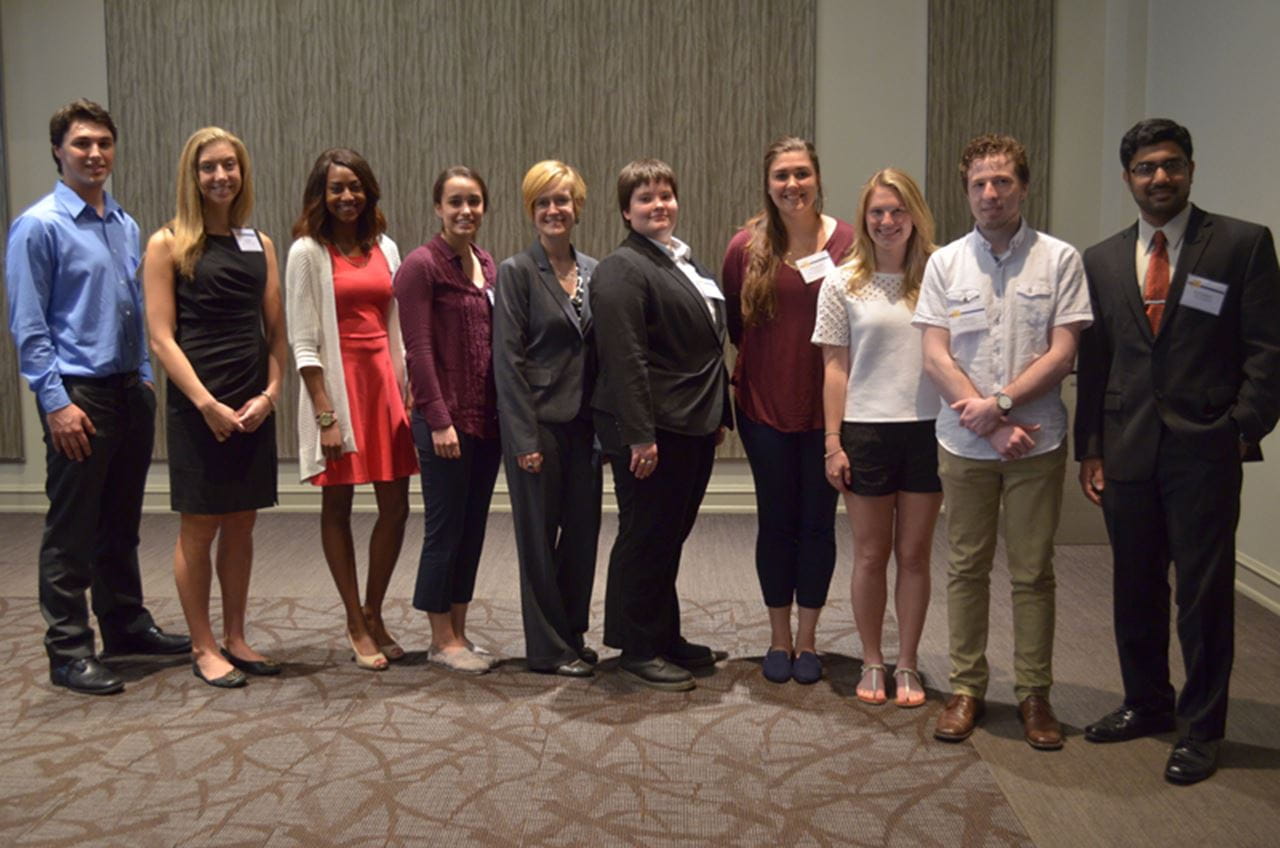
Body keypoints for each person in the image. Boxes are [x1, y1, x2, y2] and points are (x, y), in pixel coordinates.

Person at [1075, 119, 1280, 784]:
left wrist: (1242, 428)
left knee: (1203, 595)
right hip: (1127, 449)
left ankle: (1202, 728)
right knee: (1134, 587)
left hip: (1207, 449)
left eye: (1171, 165)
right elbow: (1096, 362)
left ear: (1190, 169)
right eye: (1145, 168)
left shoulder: (1242, 244)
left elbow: (1268, 350)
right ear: (1128, 178)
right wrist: (1090, 449)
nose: (1159, 177)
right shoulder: (1101, 259)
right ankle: (1146, 703)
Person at [912, 134, 1092, 749]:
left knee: (1033, 572)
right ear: (966, 192)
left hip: (1035, 444)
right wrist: (989, 421)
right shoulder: (945, 263)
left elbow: (1063, 351)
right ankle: (966, 688)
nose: (990, 193)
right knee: (965, 567)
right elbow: (935, 355)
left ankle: (1034, 694)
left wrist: (1004, 405)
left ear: (1023, 187)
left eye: (1002, 182)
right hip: (965, 445)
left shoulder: (1059, 259)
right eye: (979, 184)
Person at [5, 99, 189, 695]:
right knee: (73, 528)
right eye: (81, 143)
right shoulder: (39, 226)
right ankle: (68, 650)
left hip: (127, 390)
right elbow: (29, 326)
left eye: (104, 143)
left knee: (120, 522)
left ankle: (125, 625)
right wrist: (56, 403)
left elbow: (135, 310)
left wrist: (143, 375)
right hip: (77, 395)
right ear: (58, 151)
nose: (94, 154)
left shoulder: (125, 224)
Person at [143, 126, 286, 688]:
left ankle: (236, 636)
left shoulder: (260, 244)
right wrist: (206, 404)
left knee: (242, 521)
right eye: (209, 167)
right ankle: (202, 645)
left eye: (230, 165)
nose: (221, 176)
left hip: (251, 402)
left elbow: (276, 333)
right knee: (200, 526)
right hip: (198, 405)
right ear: (192, 175)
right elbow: (161, 339)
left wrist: (270, 394)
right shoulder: (167, 243)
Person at [591, 158, 732, 692]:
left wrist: (715, 413)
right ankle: (637, 647)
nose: (659, 205)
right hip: (651, 428)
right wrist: (640, 435)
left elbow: (703, 347)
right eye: (645, 198)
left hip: (690, 422)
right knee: (645, 535)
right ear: (626, 212)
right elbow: (624, 359)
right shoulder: (622, 268)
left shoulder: (684, 263)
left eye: (665, 195)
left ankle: (663, 634)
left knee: (670, 534)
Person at [721, 137, 852, 685]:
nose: (792, 185)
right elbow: (736, 327)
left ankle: (809, 640)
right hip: (764, 410)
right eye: (781, 175)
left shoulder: (849, 244)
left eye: (801, 173)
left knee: (818, 524)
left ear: (817, 178)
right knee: (775, 522)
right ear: (767, 184)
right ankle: (778, 638)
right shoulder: (743, 248)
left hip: (829, 415)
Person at [812, 169, 942, 706]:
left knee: (914, 555)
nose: (888, 221)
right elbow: (835, 367)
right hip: (865, 431)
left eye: (898, 210)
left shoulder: (940, 274)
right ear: (864, 219)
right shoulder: (842, 281)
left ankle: (906, 662)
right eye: (877, 212)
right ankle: (871, 659)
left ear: (915, 215)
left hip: (929, 431)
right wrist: (833, 442)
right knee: (870, 554)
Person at [286, 148, 416, 672]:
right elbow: (302, 342)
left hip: (384, 387)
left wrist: (409, 386)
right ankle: (353, 620)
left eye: (355, 186)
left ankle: (373, 610)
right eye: (336, 188)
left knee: (396, 507)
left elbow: (399, 323)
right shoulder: (306, 252)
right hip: (338, 392)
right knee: (337, 506)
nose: (347, 196)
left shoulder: (386, 246)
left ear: (369, 191)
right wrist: (325, 414)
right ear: (320, 195)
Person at [494, 161, 602, 678]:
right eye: (543, 202)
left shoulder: (596, 270)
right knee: (538, 541)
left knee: (582, 534)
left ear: (577, 207)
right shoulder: (516, 271)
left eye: (562, 200)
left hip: (585, 427)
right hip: (537, 425)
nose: (553, 210)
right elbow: (508, 361)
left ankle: (573, 635)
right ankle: (546, 648)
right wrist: (523, 438)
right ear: (531, 210)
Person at [394, 165, 501, 675]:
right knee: (444, 529)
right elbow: (417, 350)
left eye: (474, 201)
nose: (465, 211)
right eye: (455, 201)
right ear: (438, 207)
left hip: (485, 421)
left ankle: (459, 630)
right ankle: (440, 639)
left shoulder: (487, 263)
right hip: (444, 421)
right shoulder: (421, 266)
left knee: (472, 527)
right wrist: (438, 419)